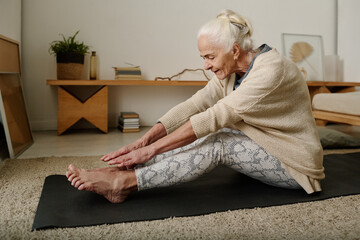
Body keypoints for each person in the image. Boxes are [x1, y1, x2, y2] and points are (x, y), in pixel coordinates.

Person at [66, 9, 325, 203]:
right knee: (205, 132)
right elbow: (195, 105)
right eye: (204, 57)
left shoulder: (271, 70)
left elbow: (214, 117)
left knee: (218, 140)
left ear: (234, 50)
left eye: (210, 57)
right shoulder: (232, 70)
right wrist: (142, 144)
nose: (206, 65)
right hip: (262, 142)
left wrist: (150, 150)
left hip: (295, 165)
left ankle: (125, 183)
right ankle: (121, 169)